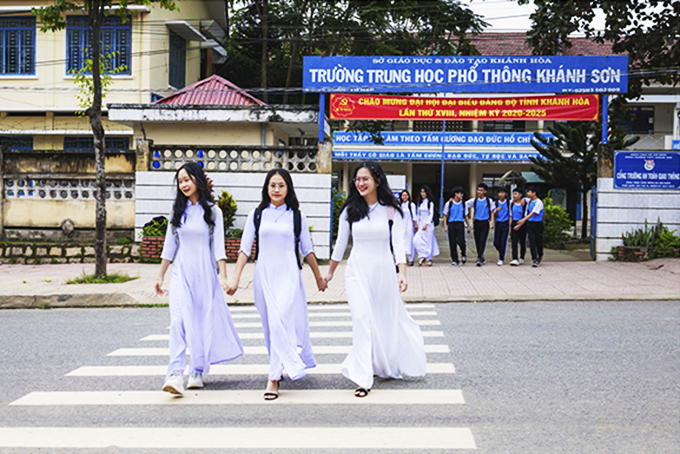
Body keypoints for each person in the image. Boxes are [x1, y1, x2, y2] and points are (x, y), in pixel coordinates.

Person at [324, 161, 426, 398]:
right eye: (357, 179)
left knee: (382, 320)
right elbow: (341, 243)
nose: (360, 183)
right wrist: (330, 272)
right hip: (356, 271)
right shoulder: (350, 210)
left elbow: (398, 244)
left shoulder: (392, 210)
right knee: (361, 318)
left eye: (365, 179)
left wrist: (403, 272)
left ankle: (380, 364)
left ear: (377, 181)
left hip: (383, 273)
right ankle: (362, 376)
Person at [226, 169, 327, 400]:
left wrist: (318, 277)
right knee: (271, 326)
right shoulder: (257, 214)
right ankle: (281, 366)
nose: (277, 189)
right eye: (273, 185)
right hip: (264, 276)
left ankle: (273, 378)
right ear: (266, 188)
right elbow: (244, 248)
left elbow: (307, 250)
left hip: (289, 275)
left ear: (288, 188)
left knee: (280, 319)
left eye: (281, 185)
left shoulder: (297, 216)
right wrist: (235, 278)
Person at [155, 162, 244, 396]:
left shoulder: (213, 212)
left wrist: (223, 277)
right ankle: (174, 373)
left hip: (205, 276)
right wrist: (160, 275)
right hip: (180, 274)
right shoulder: (177, 212)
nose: (183, 184)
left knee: (200, 322)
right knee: (177, 322)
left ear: (198, 181)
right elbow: (169, 246)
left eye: (187, 179)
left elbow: (219, 248)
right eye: (180, 181)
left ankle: (196, 370)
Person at [465, 183, 496, 266]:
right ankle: (481, 256)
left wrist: (492, 222)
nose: (479, 192)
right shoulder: (474, 201)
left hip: (485, 222)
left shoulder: (489, 201)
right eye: (478, 190)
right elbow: (464, 205)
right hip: (476, 222)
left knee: (482, 240)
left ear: (485, 191)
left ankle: (479, 257)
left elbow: (492, 211)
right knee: (477, 240)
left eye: (481, 190)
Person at [514, 186, 545, 267]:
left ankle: (540, 255)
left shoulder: (539, 203)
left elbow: (532, 213)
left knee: (538, 242)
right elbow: (524, 199)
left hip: (538, 225)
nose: (527, 193)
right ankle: (534, 259)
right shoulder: (529, 201)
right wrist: (523, 199)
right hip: (530, 224)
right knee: (531, 241)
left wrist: (522, 220)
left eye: (529, 192)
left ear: (534, 193)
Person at [413, 185, 440, 266]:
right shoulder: (419, 203)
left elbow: (431, 214)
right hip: (421, 224)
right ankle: (421, 256)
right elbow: (418, 214)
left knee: (429, 241)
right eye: (421, 192)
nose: (422, 193)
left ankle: (429, 258)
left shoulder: (430, 203)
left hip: (428, 225)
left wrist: (427, 224)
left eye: (424, 192)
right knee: (416, 240)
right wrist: (417, 224)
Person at [442, 187, 468, 266]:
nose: (462, 195)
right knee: (452, 242)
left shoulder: (463, 204)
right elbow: (445, 215)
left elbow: (466, 215)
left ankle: (463, 253)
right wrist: (445, 226)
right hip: (451, 224)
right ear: (455, 194)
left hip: (460, 224)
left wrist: (469, 226)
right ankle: (455, 259)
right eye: (460, 193)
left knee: (461, 241)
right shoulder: (449, 204)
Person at [492, 186, 511, 266]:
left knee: (503, 241)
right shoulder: (495, 203)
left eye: (503, 193)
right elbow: (494, 214)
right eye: (500, 193)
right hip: (498, 223)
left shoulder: (509, 203)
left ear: (506, 194)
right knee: (496, 242)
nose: (501, 194)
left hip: (505, 223)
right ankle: (501, 252)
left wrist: (510, 225)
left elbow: (510, 214)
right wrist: (496, 211)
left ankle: (501, 258)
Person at [509, 187, 528, 266]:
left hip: (522, 223)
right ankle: (514, 258)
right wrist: (510, 227)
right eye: (513, 194)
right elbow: (510, 215)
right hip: (514, 223)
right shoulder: (511, 203)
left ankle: (522, 257)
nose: (514, 196)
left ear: (520, 195)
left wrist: (519, 225)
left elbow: (526, 216)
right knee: (514, 242)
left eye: (516, 194)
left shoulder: (525, 204)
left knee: (522, 241)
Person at [400, 190, 418, 266]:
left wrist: (415, 225)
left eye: (406, 195)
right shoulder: (399, 205)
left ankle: (411, 259)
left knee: (410, 242)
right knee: (402, 242)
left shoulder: (411, 205)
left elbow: (414, 215)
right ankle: (403, 259)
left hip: (409, 225)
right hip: (401, 225)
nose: (405, 197)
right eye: (403, 195)